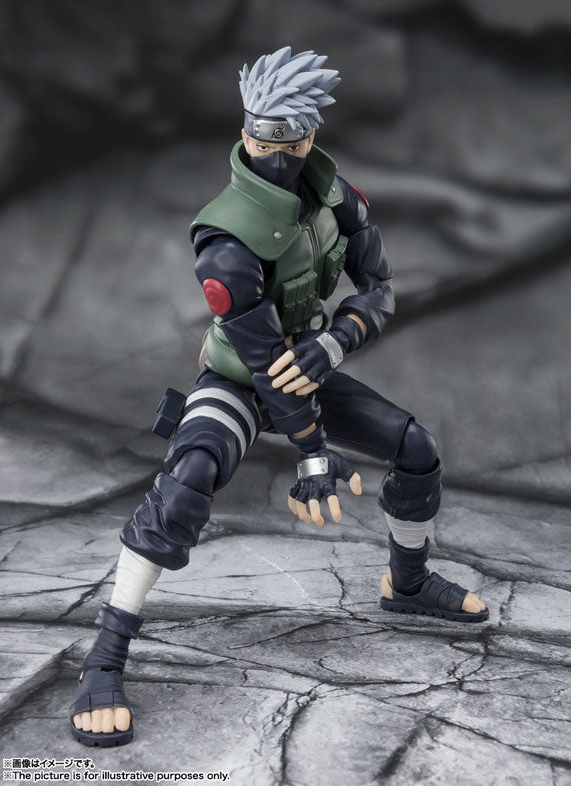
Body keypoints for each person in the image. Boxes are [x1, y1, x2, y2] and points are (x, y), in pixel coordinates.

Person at [69, 46, 487, 748]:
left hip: (309, 369)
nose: (275, 155)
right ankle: (103, 658)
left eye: (289, 142)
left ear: (310, 136)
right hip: (238, 381)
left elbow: (380, 287)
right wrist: (311, 452)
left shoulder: (334, 196)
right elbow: (264, 364)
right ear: (245, 132)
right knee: (186, 483)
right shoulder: (225, 238)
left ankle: (408, 583)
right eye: (263, 139)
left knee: (416, 449)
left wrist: (335, 342)